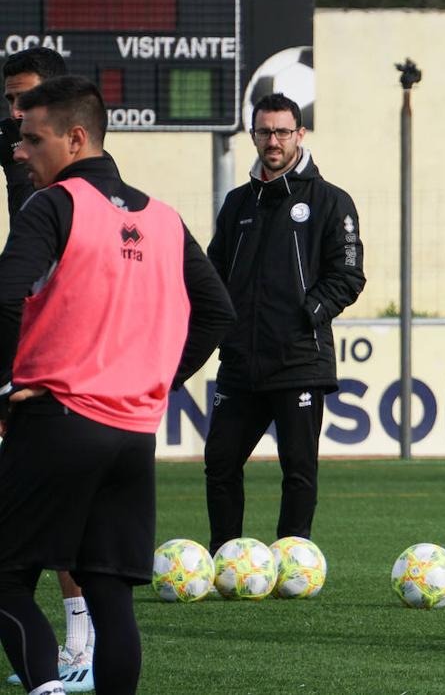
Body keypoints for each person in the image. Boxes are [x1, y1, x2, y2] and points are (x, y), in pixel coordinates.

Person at [0, 76, 234, 694]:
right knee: (108, 591)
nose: (19, 151)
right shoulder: (164, 218)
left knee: (6, 577)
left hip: (57, 420)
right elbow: (218, 314)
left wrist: (4, 386)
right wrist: (154, 382)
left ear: (76, 138)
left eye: (31, 138)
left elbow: (6, 297)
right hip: (131, 433)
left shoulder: (50, 206)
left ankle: (45, 689)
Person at [204, 93, 365, 557]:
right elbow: (214, 277)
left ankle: (293, 560)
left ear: (300, 134)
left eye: (281, 131)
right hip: (239, 363)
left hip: (298, 360)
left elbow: (348, 276)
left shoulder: (331, 201)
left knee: (297, 468)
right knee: (220, 462)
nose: (272, 141)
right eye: (263, 132)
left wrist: (304, 315)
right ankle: (225, 558)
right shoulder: (237, 204)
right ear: (253, 135)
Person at [1, 47, 101, 692]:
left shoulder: (80, 190)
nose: (17, 126)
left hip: (59, 348)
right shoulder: (22, 151)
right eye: (11, 104)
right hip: (26, 332)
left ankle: (79, 647)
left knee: (66, 516)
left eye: (28, 106)